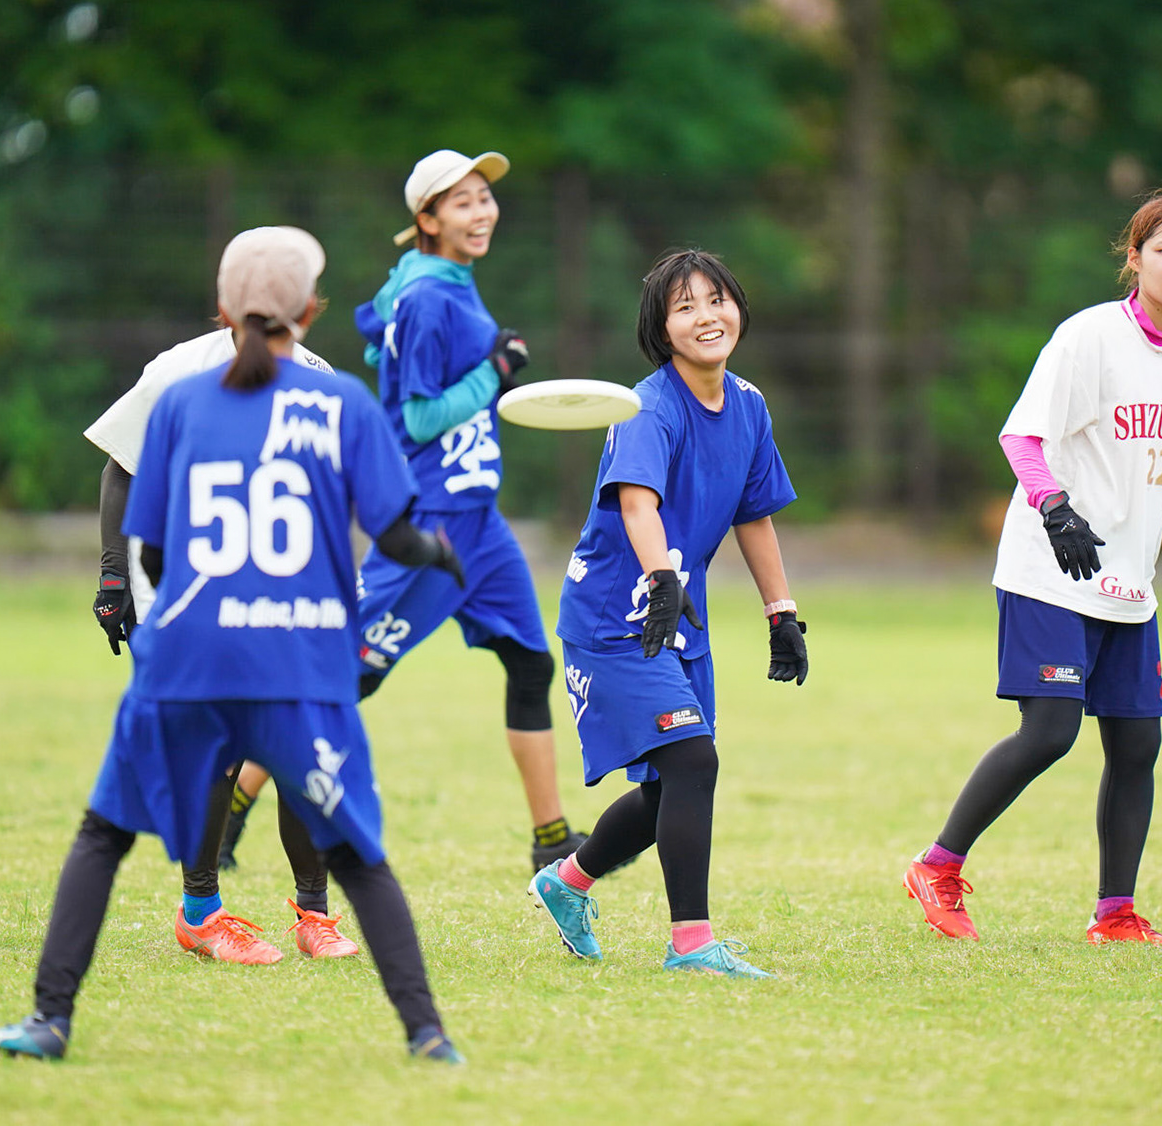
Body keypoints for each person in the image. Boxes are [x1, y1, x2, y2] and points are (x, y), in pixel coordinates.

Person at [0, 227, 466, 1062]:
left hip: (190, 660)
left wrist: (172, 602)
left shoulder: (182, 402)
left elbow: (153, 552)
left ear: (222, 307)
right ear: (309, 309)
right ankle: (426, 1036)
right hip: (296, 660)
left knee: (102, 837)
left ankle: (49, 1021)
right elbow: (393, 536)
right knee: (360, 855)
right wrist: (438, 554)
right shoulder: (342, 401)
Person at [901, 192, 1162, 947]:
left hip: (1128, 580)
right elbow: (1021, 438)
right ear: (1134, 258)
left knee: (1137, 746)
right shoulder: (1089, 337)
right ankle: (936, 866)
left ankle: (1116, 915)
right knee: (1051, 731)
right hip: (1051, 568)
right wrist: (1055, 509)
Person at [526, 249, 808, 979]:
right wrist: (660, 581)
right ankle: (691, 944)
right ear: (661, 329)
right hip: (617, 620)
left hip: (680, 618)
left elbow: (754, 514)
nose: (706, 317)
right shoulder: (647, 407)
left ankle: (566, 882)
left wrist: (781, 612)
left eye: (717, 300)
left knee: (667, 789)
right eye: (685, 307)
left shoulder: (748, 404)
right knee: (692, 761)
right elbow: (637, 504)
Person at [84, 230, 354, 963]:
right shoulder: (179, 372)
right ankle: (201, 913)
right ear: (226, 305)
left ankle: (314, 914)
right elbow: (122, 469)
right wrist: (113, 573)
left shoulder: (319, 378)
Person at [353, 148, 587, 871]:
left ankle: (552, 840)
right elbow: (418, 417)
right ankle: (227, 813)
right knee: (348, 674)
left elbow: (378, 338)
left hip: (478, 519)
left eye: (484, 196)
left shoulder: (437, 280)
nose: (482, 211)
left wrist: (472, 363)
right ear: (427, 219)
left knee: (530, 663)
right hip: (431, 517)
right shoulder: (430, 294)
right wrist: (496, 369)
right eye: (462, 201)